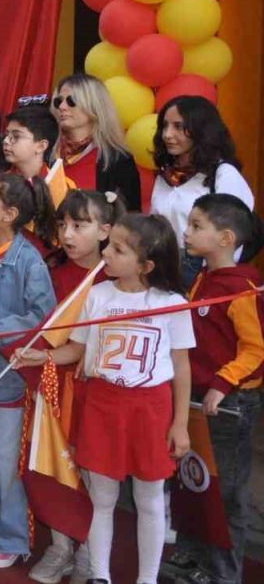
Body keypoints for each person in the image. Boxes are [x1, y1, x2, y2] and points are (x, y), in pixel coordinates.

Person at [13, 214, 193, 584]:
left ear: (146, 265)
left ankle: (147, 579)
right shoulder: (97, 295)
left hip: (150, 408)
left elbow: (181, 367)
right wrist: (42, 356)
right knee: (103, 498)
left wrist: (179, 424)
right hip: (103, 404)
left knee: (149, 500)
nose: (106, 253)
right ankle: (99, 574)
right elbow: (78, 350)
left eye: (117, 250)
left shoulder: (171, 303)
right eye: (108, 245)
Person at [163, 194, 263, 584]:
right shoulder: (204, 278)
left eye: (196, 226)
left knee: (225, 496)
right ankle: (190, 559)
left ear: (225, 237)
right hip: (195, 397)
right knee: (191, 482)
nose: (186, 233)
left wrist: (222, 384)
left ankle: (224, 573)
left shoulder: (243, 286)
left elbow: (256, 349)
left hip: (228, 403)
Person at [25, 189, 120, 584]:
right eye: (63, 224)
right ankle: (60, 546)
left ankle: (88, 555)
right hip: (48, 383)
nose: (68, 233)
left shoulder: (115, 279)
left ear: (106, 230)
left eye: (80, 225)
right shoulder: (52, 271)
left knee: (89, 473)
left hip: (92, 390)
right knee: (48, 466)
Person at [0, 173, 57, 569]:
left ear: (10, 213)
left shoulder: (27, 259)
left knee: (5, 460)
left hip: (7, 375)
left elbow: (43, 316)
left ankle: (13, 536)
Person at [151, 95, 255, 288]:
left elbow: (235, 235)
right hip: (162, 266)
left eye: (178, 126)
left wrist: (215, 277)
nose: (167, 134)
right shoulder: (165, 175)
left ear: (201, 130)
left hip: (203, 270)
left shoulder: (223, 174)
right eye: (164, 125)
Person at [53, 74, 141, 208]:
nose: (62, 106)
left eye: (72, 100)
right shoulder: (47, 151)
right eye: (58, 101)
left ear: (94, 105)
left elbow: (129, 219)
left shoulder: (118, 159)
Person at [2, 101, 72, 208]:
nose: (6, 141)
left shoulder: (63, 186)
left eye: (16, 136)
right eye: (6, 135)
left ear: (41, 146)